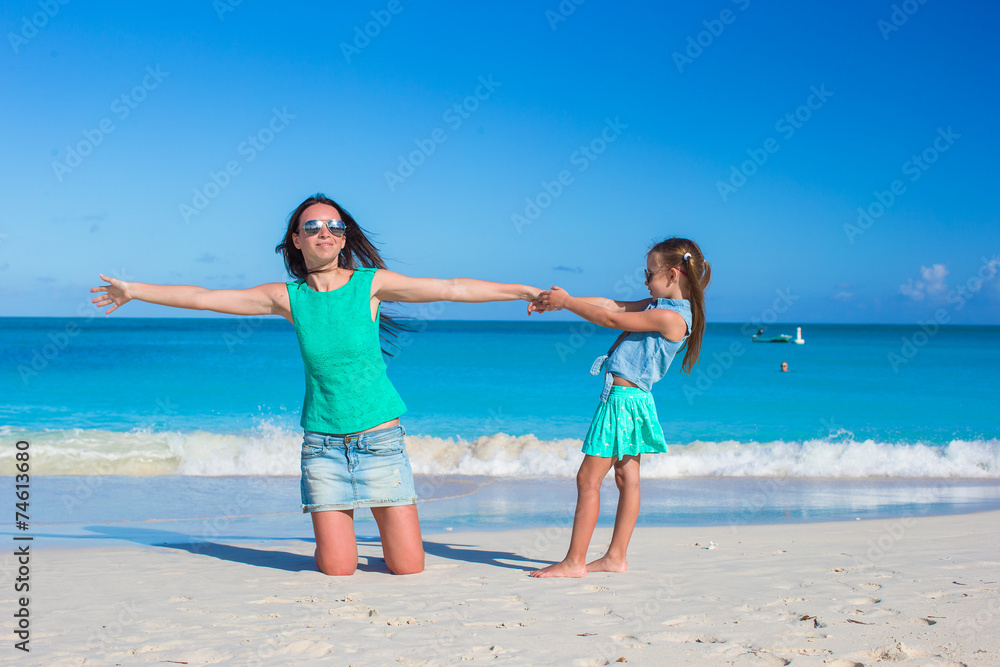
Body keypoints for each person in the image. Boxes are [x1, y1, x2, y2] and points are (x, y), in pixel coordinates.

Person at [90, 194, 542, 576]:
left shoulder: (372, 285)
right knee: (338, 570)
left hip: (380, 440)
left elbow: (451, 288)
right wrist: (135, 290)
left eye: (335, 226)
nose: (325, 232)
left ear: (344, 237)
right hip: (322, 447)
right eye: (313, 227)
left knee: (408, 568)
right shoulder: (289, 297)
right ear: (297, 239)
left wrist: (522, 291)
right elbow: (206, 298)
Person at [527, 238, 709, 578]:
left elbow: (611, 320)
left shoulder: (671, 318)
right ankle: (615, 557)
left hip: (622, 403)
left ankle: (574, 561)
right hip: (634, 401)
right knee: (628, 479)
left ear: (672, 274)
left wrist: (567, 303)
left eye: (649, 273)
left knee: (588, 479)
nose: (644, 279)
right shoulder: (660, 306)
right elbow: (612, 304)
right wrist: (561, 301)